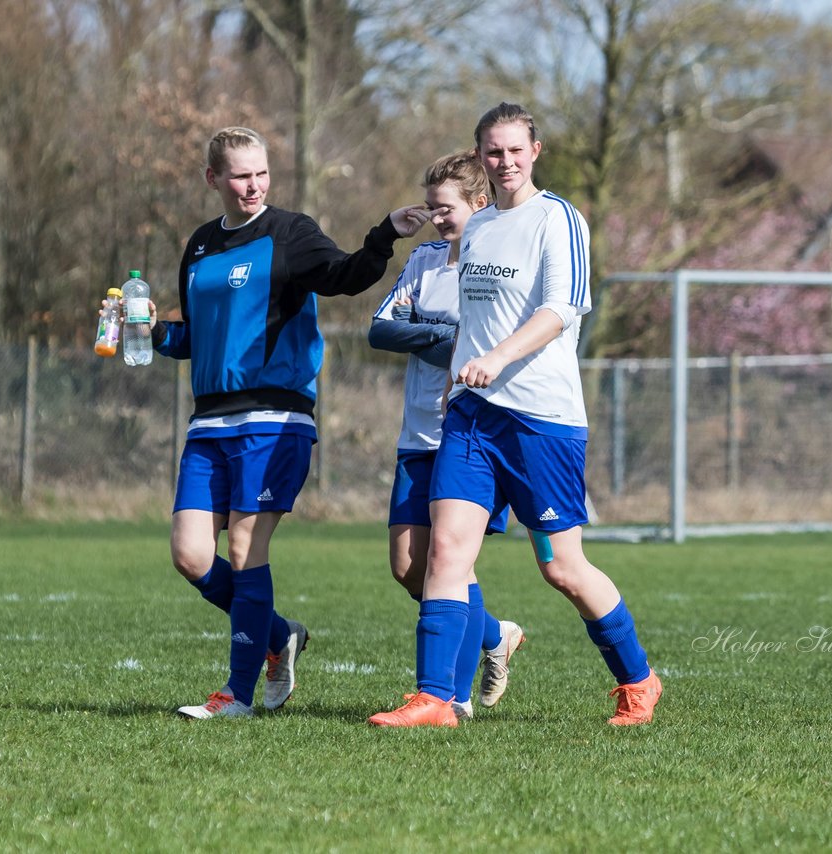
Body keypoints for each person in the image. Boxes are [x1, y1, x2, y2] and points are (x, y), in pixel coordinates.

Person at [369, 103, 661, 728]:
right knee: (445, 551)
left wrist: (498, 359)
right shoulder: (474, 230)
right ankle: (434, 699)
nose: (504, 162)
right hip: (472, 417)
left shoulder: (558, 219)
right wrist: (458, 380)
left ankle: (639, 681)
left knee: (561, 567)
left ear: (536, 151)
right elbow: (473, 323)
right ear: (480, 158)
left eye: (514, 150)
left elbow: (562, 308)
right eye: (492, 152)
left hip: (541, 421)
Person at [146, 126, 432, 719]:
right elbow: (198, 340)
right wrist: (147, 332)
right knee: (190, 555)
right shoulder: (200, 246)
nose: (253, 186)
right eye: (240, 175)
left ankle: (237, 695)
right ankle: (279, 637)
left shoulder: (290, 233)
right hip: (210, 425)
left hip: (274, 420)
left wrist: (383, 237)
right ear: (213, 179)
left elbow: (345, 275)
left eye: (261, 173)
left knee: (248, 547)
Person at [368, 150, 527, 720]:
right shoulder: (424, 261)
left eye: (446, 209)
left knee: (449, 561)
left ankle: (452, 699)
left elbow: (498, 340)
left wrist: (435, 333)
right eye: (431, 208)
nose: (436, 219)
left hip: (471, 433)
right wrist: (448, 337)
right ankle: (494, 635)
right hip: (417, 433)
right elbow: (381, 329)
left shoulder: (495, 263)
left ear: (479, 204)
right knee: (407, 567)